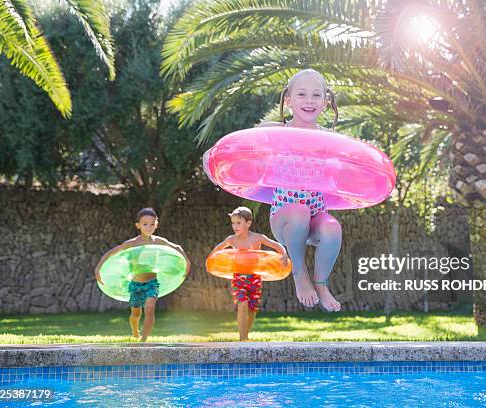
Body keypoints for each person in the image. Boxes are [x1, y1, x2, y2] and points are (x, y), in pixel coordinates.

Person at [260, 69, 342, 312]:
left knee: (332, 227)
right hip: (284, 218)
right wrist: (214, 158)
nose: (309, 101)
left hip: (316, 213)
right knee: (298, 212)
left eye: (316, 95)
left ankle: (321, 283)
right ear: (288, 100)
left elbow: (343, 172)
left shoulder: (330, 139)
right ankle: (299, 273)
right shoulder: (274, 132)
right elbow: (242, 151)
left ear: (326, 102)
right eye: (302, 94)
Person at [94, 207, 190, 342]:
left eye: (152, 224)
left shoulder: (158, 242)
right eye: (145, 224)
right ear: (138, 225)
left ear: (156, 225)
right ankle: (135, 331)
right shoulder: (132, 244)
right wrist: (98, 268)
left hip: (152, 283)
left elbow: (177, 248)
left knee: (150, 308)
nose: (148, 227)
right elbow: (111, 253)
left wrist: (186, 262)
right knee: (135, 313)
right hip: (135, 284)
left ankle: (144, 339)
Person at [209, 206, 288, 341]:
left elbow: (276, 246)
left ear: (248, 223)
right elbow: (217, 249)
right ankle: (242, 338)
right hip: (239, 276)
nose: (235, 226)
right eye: (233, 223)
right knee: (242, 303)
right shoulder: (232, 240)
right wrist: (212, 260)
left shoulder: (257, 238)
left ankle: (246, 335)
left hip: (254, 278)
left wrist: (284, 255)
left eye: (238, 223)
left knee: (252, 309)